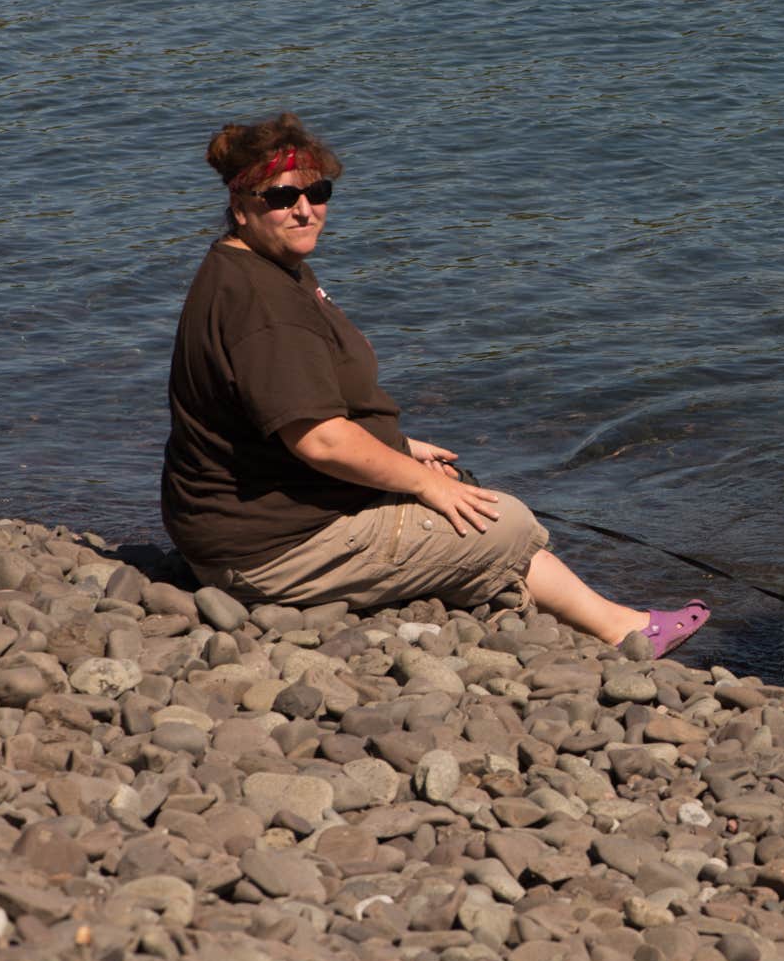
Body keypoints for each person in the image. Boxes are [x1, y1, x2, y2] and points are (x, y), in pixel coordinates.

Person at [160, 111, 709, 657]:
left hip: (251, 517)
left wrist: (401, 451)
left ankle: (610, 622)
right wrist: (421, 484)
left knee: (461, 491)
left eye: (316, 192)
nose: (304, 211)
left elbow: (283, 411)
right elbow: (320, 440)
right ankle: (621, 630)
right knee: (506, 520)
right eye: (281, 199)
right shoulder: (264, 304)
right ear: (240, 206)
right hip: (266, 548)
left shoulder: (260, 266)